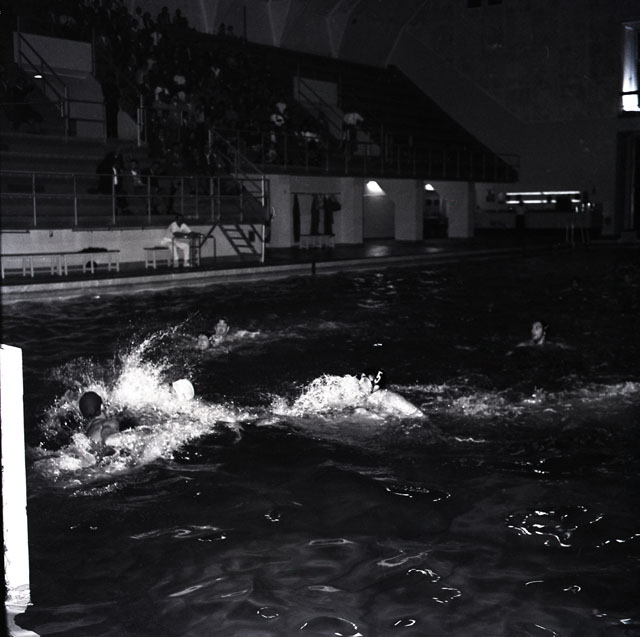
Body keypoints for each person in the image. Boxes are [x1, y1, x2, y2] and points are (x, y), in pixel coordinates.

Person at [357, 368, 425, 418]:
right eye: (360, 379)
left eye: (365, 380)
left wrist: (391, 415)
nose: (360, 382)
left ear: (376, 385)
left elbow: (419, 415)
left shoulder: (392, 398)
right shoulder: (366, 396)